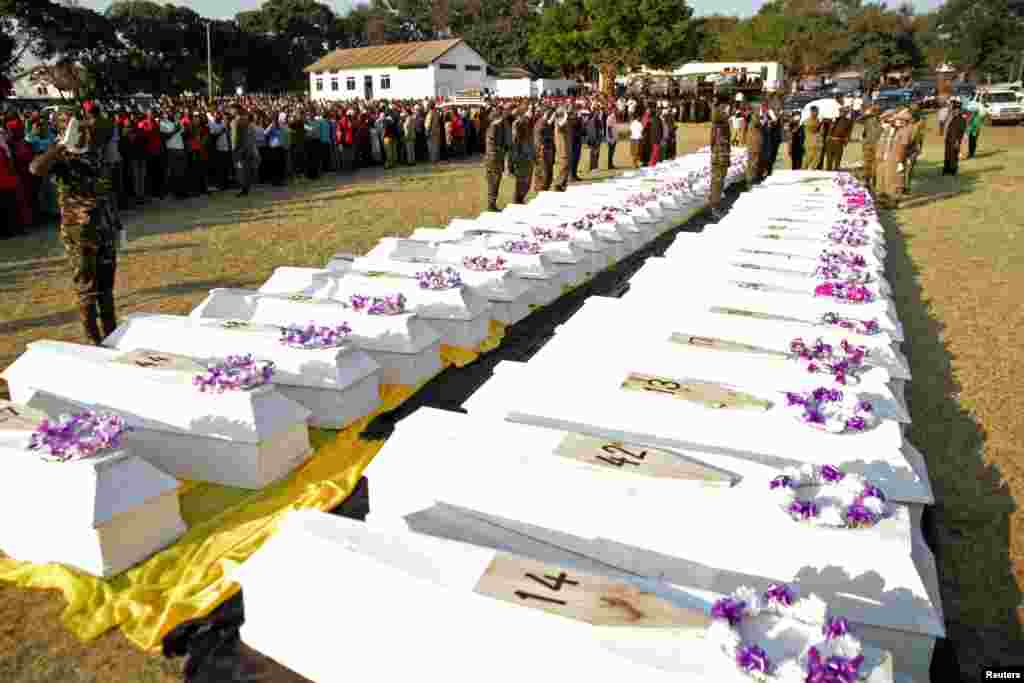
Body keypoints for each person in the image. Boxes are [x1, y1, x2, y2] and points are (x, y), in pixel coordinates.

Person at [29, 111, 123, 344]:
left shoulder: (95, 152)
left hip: (105, 228)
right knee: (87, 290)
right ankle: (94, 342)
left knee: (106, 289)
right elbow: (35, 168)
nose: (85, 131)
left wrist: (117, 226)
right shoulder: (61, 158)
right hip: (79, 234)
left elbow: (106, 192)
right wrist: (58, 148)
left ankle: (113, 337)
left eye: (85, 127)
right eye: (78, 127)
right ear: (64, 131)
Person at [484, 104, 512, 211]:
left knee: (496, 182)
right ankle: (491, 205)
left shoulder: (499, 126)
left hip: (497, 159)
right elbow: (491, 146)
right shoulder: (493, 127)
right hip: (493, 159)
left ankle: (492, 204)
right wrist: (501, 151)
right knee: (493, 182)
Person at [708, 94, 731, 220]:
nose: (728, 110)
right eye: (726, 107)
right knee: (717, 181)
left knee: (719, 181)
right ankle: (714, 208)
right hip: (719, 156)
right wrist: (717, 105)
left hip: (722, 155)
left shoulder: (723, 122)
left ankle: (715, 205)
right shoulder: (719, 122)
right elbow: (715, 116)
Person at [508, 106, 535, 204]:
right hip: (521, 156)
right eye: (529, 110)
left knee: (527, 182)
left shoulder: (528, 122)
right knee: (521, 181)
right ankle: (517, 200)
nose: (531, 112)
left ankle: (520, 199)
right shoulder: (517, 123)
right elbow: (515, 142)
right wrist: (513, 159)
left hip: (528, 155)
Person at [860, 103, 882, 192]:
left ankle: (874, 183)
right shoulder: (868, 119)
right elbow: (858, 120)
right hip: (868, 145)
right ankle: (867, 182)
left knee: (876, 166)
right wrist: (868, 114)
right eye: (875, 111)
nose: (877, 112)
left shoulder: (882, 121)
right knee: (867, 164)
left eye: (878, 111)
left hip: (878, 146)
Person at [533, 106, 555, 192]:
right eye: (549, 114)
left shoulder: (545, 123)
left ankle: (542, 189)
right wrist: (541, 150)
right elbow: (539, 139)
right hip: (542, 151)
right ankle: (541, 190)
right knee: (544, 173)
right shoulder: (541, 123)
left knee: (548, 173)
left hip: (547, 150)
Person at [943, 101, 967, 176]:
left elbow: (961, 132)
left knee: (953, 155)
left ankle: (953, 170)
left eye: (957, 110)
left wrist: (958, 141)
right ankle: (947, 169)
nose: (955, 111)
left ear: (960, 111)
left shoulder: (962, 119)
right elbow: (947, 128)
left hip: (955, 140)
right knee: (947, 154)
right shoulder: (952, 117)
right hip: (949, 139)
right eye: (954, 109)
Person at [825, 107, 853, 171]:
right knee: (829, 160)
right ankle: (828, 173)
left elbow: (849, 132)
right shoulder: (834, 120)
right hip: (830, 141)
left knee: (838, 159)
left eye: (845, 112)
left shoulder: (848, 121)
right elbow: (828, 130)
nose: (842, 113)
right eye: (841, 112)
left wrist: (846, 140)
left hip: (839, 141)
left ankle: (836, 173)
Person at [553, 106, 572, 192]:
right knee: (563, 166)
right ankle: (558, 184)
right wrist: (565, 114)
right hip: (562, 149)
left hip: (566, 147)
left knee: (566, 166)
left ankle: (562, 183)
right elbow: (562, 125)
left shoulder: (565, 122)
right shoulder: (559, 123)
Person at [605, 105, 620, 170]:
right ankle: (609, 165)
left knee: (612, 151)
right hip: (611, 138)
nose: (617, 111)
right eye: (615, 110)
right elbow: (609, 128)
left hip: (614, 137)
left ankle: (611, 164)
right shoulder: (610, 117)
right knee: (610, 152)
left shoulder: (614, 117)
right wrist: (611, 138)